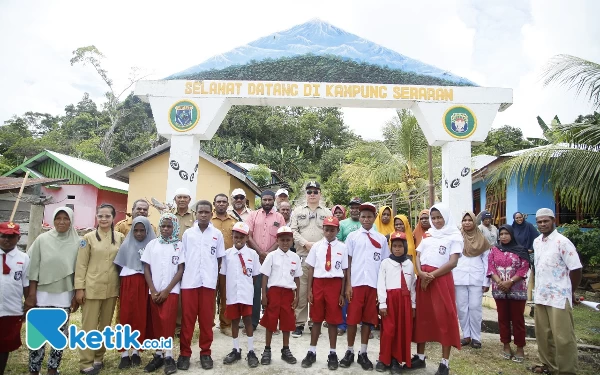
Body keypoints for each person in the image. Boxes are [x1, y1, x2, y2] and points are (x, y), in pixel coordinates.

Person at [25, 207, 80, 375]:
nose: (61, 222)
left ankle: (52, 368)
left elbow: (79, 270)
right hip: (42, 294)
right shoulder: (42, 239)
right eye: (58, 218)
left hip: (64, 295)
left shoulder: (78, 242)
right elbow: (33, 266)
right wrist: (31, 295)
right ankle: (34, 369)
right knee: (38, 334)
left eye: (66, 218)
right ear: (53, 220)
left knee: (59, 335)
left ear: (71, 221)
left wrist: (76, 295)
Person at [412, 203, 462, 375]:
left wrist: (431, 276)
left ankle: (444, 363)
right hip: (423, 279)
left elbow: (452, 262)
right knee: (422, 317)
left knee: (444, 318)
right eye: (433, 218)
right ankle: (420, 357)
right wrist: (420, 272)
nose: (436, 221)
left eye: (439, 217)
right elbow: (418, 256)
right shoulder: (428, 235)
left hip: (441, 280)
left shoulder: (454, 236)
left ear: (446, 217)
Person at [531, 208, 582, 375]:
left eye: (546, 221)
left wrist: (570, 291)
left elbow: (575, 269)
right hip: (541, 295)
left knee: (563, 337)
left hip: (559, 297)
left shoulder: (563, 242)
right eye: (539, 222)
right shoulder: (537, 242)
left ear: (554, 221)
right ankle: (547, 365)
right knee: (543, 335)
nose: (543, 224)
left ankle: (567, 370)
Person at [339, 202, 390, 371]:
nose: (366, 219)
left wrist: (381, 290)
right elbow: (348, 262)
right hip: (356, 284)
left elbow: (384, 264)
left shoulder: (381, 239)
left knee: (368, 320)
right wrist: (348, 285)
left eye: (369, 216)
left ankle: (363, 352)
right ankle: (350, 351)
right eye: (363, 216)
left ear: (374, 218)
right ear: (359, 218)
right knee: (352, 319)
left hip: (373, 285)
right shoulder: (352, 237)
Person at [74, 203, 124, 374]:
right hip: (91, 288)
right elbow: (81, 265)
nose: (103, 219)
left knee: (105, 326)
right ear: (96, 217)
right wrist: (79, 289)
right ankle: (85, 362)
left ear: (113, 218)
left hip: (111, 288)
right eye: (100, 216)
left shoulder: (119, 237)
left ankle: (98, 358)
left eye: (107, 216)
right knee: (88, 326)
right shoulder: (87, 238)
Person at [177, 200, 225, 371]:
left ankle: (206, 353)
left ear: (211, 213)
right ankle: (184, 354)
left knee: (206, 321)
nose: (203, 215)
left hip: (208, 283)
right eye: (200, 212)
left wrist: (213, 276)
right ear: (195, 213)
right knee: (187, 321)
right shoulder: (188, 234)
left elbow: (219, 258)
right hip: (189, 282)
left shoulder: (217, 234)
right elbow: (183, 259)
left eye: (206, 212)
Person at [301, 216, 348, 370]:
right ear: (323, 229)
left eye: (332, 230)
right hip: (319, 284)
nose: (329, 233)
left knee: (333, 321)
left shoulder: (342, 247)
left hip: (334, 284)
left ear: (337, 230)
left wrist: (342, 293)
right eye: (326, 229)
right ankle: (312, 351)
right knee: (316, 319)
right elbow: (311, 269)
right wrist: (309, 291)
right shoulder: (316, 247)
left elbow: (345, 271)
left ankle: (332, 353)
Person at [142, 213, 185, 374]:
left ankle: (168, 356)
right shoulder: (152, 244)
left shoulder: (179, 246)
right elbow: (146, 268)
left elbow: (180, 269)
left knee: (168, 323)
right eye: (163, 226)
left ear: (174, 228)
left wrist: (167, 290)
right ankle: (158, 355)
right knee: (156, 323)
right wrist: (153, 290)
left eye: (169, 226)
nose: (166, 229)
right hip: (154, 291)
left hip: (171, 291)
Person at [113, 216, 156, 369]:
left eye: (142, 230)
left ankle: (136, 351)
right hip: (129, 283)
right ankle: (124, 354)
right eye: (136, 230)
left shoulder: (152, 245)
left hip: (145, 283)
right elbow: (119, 265)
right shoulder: (126, 245)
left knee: (140, 316)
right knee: (126, 315)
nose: (138, 233)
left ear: (147, 230)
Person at [291, 181, 332, 338]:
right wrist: (305, 243)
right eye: (309, 192)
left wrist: (318, 245)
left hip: (321, 258)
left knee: (317, 291)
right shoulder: (298, 211)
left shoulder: (327, 212)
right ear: (306, 194)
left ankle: (315, 322)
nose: (312, 194)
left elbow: (331, 232)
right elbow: (293, 231)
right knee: (301, 291)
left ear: (320, 194)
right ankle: (299, 324)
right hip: (302, 256)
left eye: (315, 191)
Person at [258, 226, 302, 366]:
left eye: (288, 240)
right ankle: (267, 349)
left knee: (287, 322)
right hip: (274, 292)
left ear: (292, 241)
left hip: (288, 293)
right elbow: (264, 276)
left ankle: (285, 349)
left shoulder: (295, 257)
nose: (285, 242)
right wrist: (264, 295)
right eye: (282, 240)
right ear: (277, 240)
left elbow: (297, 278)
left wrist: (297, 296)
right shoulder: (271, 256)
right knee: (271, 321)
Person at [220, 222, 261, 368]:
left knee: (248, 321)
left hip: (246, 294)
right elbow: (223, 275)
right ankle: (236, 349)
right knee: (234, 321)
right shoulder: (227, 255)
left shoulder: (253, 254)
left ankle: (251, 351)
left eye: (242, 237)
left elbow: (255, 276)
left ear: (247, 238)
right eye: (236, 236)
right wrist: (226, 293)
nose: (238, 239)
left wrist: (246, 287)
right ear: (232, 236)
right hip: (232, 295)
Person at [487, 225, 529, 363]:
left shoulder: (521, 250)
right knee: (503, 318)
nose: (504, 236)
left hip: (517, 290)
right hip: (499, 290)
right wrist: (500, 282)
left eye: (506, 234)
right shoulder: (494, 250)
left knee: (518, 320)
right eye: (501, 234)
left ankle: (520, 348)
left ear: (512, 235)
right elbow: (491, 267)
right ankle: (505, 345)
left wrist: (510, 282)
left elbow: (524, 269)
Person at [376, 232, 416, 373]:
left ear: (405, 247)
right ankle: (384, 358)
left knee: (401, 331)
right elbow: (381, 284)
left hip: (404, 302)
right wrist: (382, 303)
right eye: (395, 246)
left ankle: (396, 360)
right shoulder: (386, 263)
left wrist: (413, 305)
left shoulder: (409, 264)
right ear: (391, 247)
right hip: (390, 301)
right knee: (388, 331)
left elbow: (412, 286)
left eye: (400, 246)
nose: (397, 249)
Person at [245, 191, 286, 331]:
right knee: (255, 292)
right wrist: (260, 252)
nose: (267, 202)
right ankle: (253, 323)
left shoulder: (279, 217)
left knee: (272, 292)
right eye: (264, 200)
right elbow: (248, 235)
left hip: (273, 258)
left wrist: (268, 254)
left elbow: (281, 238)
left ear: (274, 200)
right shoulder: (253, 215)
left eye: (269, 200)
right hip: (255, 258)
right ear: (261, 200)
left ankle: (271, 324)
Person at [453, 211, 490, 350]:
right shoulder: (457, 238)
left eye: (470, 220)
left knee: (475, 307)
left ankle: (476, 337)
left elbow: (487, 261)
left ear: (474, 222)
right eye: (464, 220)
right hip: (459, 278)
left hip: (476, 278)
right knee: (462, 308)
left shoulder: (482, 239)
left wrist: (486, 282)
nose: (467, 222)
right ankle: (466, 335)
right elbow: (452, 257)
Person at [0, 222, 30, 375]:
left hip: (11, 310)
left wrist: (28, 305)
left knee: (4, 346)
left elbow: (26, 284)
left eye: (11, 237)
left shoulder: (24, 258)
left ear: (18, 238)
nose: (7, 239)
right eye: (3, 236)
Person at [212, 193, 238, 337]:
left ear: (228, 204)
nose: (221, 204)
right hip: (211, 264)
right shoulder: (208, 220)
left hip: (228, 264)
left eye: (224, 202)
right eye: (218, 201)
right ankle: (208, 323)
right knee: (210, 295)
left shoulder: (233, 222)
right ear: (214, 203)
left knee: (226, 294)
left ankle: (225, 324)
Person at [336, 197, 363, 336]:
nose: (355, 210)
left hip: (362, 265)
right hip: (346, 262)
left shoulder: (369, 223)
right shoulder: (342, 224)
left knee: (362, 293)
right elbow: (339, 242)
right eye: (352, 207)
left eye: (357, 207)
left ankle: (364, 324)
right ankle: (342, 324)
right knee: (345, 293)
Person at [511, 211, 539, 301]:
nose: (519, 219)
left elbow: (536, 238)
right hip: (516, 254)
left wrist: (531, 249)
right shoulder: (512, 228)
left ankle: (530, 295)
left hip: (528, 253)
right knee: (516, 275)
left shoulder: (529, 226)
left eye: (520, 217)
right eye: (517, 218)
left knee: (529, 274)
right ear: (514, 219)